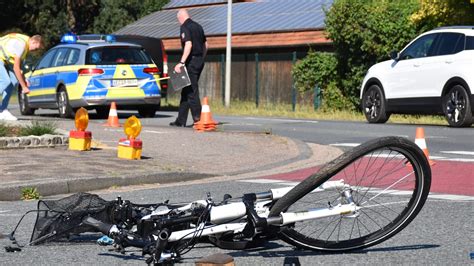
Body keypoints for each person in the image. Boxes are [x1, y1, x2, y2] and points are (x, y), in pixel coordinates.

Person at [170, 9, 208, 127]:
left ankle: (198, 119)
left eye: (178, 20)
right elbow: (206, 45)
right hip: (199, 61)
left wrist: (181, 62)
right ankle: (181, 120)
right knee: (186, 90)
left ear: (180, 17)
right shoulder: (198, 26)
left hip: (191, 62)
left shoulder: (185, 27)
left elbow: (188, 44)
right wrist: (201, 57)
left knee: (192, 90)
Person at [0, 33, 42, 121]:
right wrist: (24, 87)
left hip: (5, 58)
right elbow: (16, 68)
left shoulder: (25, 45)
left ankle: (2, 110)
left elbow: (20, 68)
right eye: (36, 48)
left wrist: (24, 80)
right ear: (33, 41)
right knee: (5, 81)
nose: (35, 51)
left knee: (14, 81)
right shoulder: (21, 45)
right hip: (1, 57)